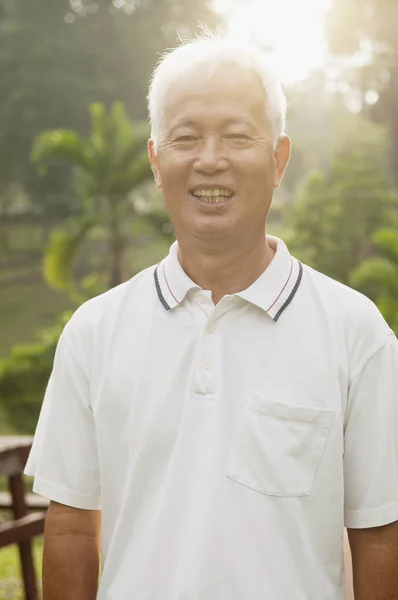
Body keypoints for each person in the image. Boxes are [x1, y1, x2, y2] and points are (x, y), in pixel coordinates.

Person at [24, 31, 398, 600]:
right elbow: (72, 524)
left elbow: (379, 534)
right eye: (186, 137)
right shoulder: (95, 332)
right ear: (155, 159)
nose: (210, 160)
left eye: (237, 136)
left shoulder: (355, 331)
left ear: (278, 159)